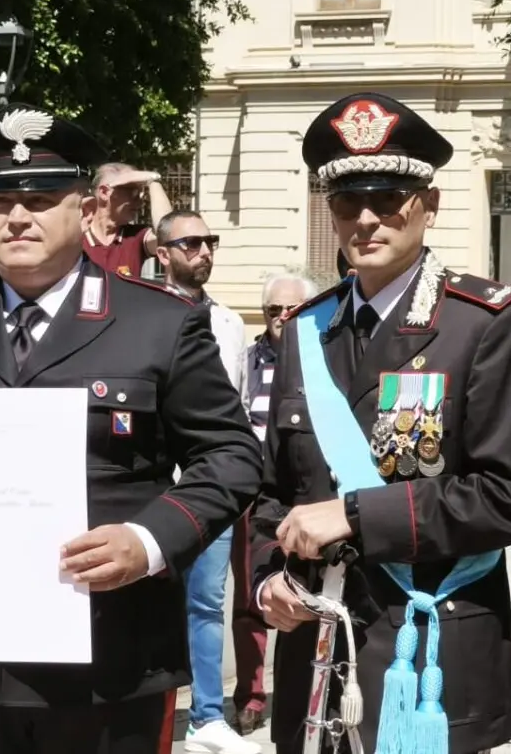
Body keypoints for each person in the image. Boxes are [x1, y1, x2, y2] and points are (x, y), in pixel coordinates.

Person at [0, 103, 262, 754]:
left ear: (84, 211)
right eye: (2, 200)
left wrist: (147, 540)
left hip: (108, 656)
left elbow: (230, 455)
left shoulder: (158, 323)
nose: (19, 216)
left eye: (40, 197)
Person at [250, 92, 511, 754]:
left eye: (389, 199)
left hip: (427, 655)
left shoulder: (487, 325)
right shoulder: (307, 329)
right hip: (317, 654)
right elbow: (274, 487)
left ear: (430, 205)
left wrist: (357, 516)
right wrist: (266, 577)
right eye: (346, 202)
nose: (366, 218)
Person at [151, 208, 256, 754]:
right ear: (162, 252)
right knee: (146, 603)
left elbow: (233, 412)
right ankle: (151, 713)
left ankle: (207, 716)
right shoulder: (138, 312)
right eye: (190, 243)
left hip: (208, 487)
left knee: (208, 602)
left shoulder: (232, 324)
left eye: (209, 242)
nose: (204, 252)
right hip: (149, 488)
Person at [230, 272, 317, 737]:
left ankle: (300, 689)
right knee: (252, 595)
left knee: (303, 593)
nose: (282, 317)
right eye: (273, 310)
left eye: (292, 309)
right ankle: (251, 694)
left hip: (301, 495)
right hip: (252, 490)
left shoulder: (319, 358)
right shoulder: (247, 360)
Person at [81, 162, 167, 278]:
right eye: (133, 192)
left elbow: (168, 233)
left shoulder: (135, 237)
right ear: (104, 192)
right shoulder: (76, 237)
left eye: (142, 193)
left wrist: (153, 180)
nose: (140, 201)